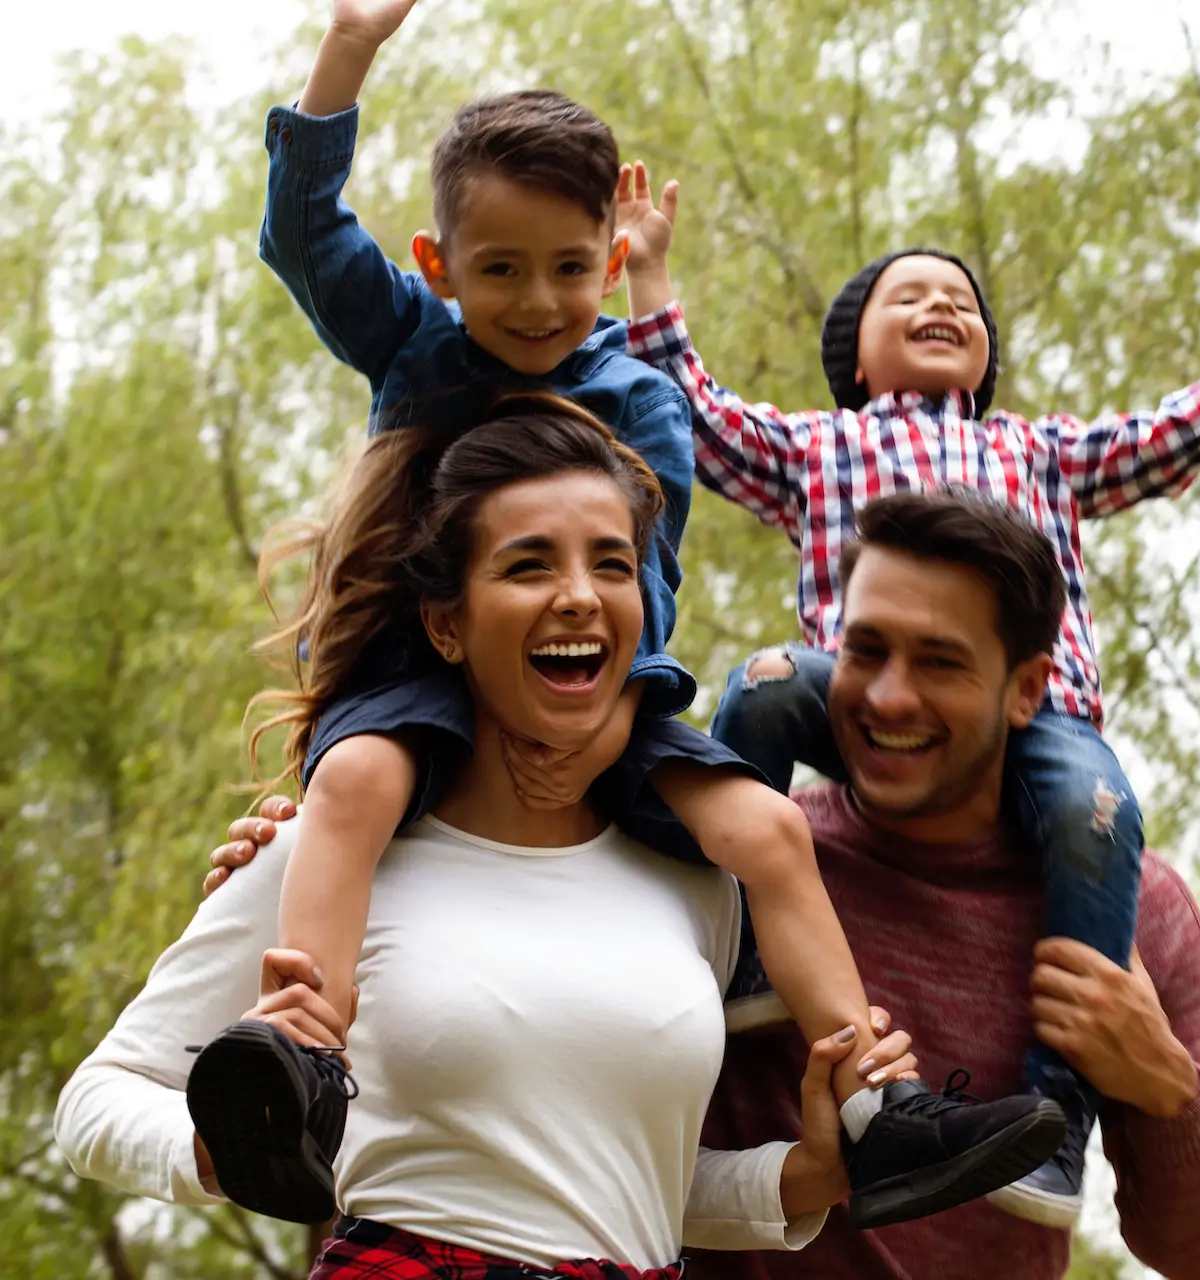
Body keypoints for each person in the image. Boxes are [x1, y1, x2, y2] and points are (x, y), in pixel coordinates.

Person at [208, 0, 1064, 1226]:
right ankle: (306, 1057)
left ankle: (879, 1105)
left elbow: (641, 585)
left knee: (770, 829)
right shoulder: (414, 337)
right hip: (414, 668)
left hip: (592, 688)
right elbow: (301, 236)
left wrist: (598, 709)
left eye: (569, 267)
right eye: (500, 271)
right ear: (443, 265)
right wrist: (348, 51)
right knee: (352, 789)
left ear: (612, 254)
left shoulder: (636, 396)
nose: (539, 301)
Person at [211, 489, 1200, 1279]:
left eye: (940, 661)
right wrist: (300, 855)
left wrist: (1162, 1085)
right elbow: (492, 996)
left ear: (1030, 686)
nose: (889, 695)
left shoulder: (1129, 911)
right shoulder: (726, 859)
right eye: (865, 648)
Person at [616, 159, 1200, 1222]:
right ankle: (736, 940)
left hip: (1049, 733)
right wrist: (648, 280)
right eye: (905, 296)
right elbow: (693, 416)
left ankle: (1053, 1124)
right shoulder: (820, 446)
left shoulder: (1038, 452)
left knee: (1097, 813)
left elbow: (1165, 438)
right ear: (853, 359)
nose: (939, 306)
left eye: (959, 301)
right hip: (844, 694)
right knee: (764, 684)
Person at [55, 400, 941, 1277]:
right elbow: (95, 1103)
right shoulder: (334, 854)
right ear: (447, 624)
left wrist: (802, 1178)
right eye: (528, 567)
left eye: (612, 564)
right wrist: (216, 1148)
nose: (579, 598)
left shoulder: (695, 884)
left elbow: (619, 1183)